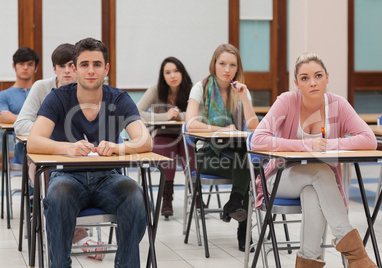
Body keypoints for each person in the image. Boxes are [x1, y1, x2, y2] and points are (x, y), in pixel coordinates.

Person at [27, 37, 152, 268]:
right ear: (74, 69)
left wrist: (118, 147)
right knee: (58, 196)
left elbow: (145, 140)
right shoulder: (58, 97)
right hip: (67, 177)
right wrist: (68, 148)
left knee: (136, 195)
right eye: (84, 64)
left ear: (106, 69)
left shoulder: (119, 98)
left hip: (108, 178)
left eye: (97, 64)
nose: (91, 71)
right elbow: (33, 142)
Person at [250, 52, 378, 267]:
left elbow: (369, 140)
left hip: (318, 184)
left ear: (327, 77)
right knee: (320, 171)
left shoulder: (338, 104)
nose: (313, 83)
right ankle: (357, 256)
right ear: (296, 83)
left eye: (318, 76)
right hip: (280, 179)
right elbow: (258, 141)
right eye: (305, 78)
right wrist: (306, 145)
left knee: (312, 192)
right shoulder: (287, 101)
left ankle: (307, 262)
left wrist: (330, 144)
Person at [15, 43, 106, 260]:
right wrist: (52, 134)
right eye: (60, 66)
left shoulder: (91, 87)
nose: (66, 71)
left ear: (77, 67)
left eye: (70, 66)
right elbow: (21, 124)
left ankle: (68, 231)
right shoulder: (41, 88)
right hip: (47, 155)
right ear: (54, 69)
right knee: (45, 174)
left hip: (83, 157)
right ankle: (76, 234)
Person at [185, 44, 259, 252]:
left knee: (245, 157)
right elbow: (190, 123)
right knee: (247, 167)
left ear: (238, 68)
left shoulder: (241, 90)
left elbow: (254, 127)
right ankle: (243, 232)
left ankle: (234, 203)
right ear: (214, 65)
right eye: (222, 64)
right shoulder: (201, 87)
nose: (227, 69)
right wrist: (221, 129)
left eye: (232, 65)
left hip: (233, 155)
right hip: (207, 154)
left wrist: (245, 98)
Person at [137, 56, 195, 218]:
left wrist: (179, 117)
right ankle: (166, 198)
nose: (173, 75)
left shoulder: (192, 90)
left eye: (176, 71)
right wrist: (166, 116)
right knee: (166, 153)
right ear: (163, 76)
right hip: (163, 134)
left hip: (186, 135)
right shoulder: (155, 90)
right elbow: (138, 112)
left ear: (183, 73)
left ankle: (195, 194)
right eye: (168, 72)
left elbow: (199, 115)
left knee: (191, 153)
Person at [0, 46, 40, 164]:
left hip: (44, 142)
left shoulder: (42, 91)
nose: (25, 67)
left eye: (30, 64)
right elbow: (3, 117)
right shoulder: (4, 95)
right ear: (14, 66)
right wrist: (39, 120)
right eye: (21, 64)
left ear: (36, 68)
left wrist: (14, 117)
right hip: (20, 146)